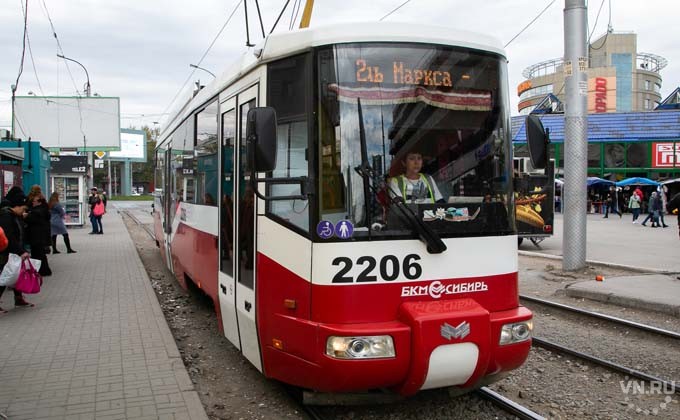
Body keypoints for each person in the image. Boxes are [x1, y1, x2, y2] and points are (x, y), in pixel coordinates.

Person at [0, 187, 34, 311]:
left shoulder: (13, 216)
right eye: (23, 209)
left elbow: (18, 235)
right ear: (17, 206)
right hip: (6, 251)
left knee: (17, 274)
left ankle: (19, 298)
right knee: (6, 275)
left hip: (13, 250)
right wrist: (21, 251)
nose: (23, 211)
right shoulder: (6, 216)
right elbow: (10, 236)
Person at [25, 187, 52, 276]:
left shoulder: (36, 211)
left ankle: (42, 270)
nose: (33, 202)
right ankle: (43, 270)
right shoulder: (43, 205)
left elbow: (32, 219)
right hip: (41, 233)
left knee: (38, 252)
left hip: (36, 234)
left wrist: (27, 215)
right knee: (40, 252)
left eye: (34, 201)